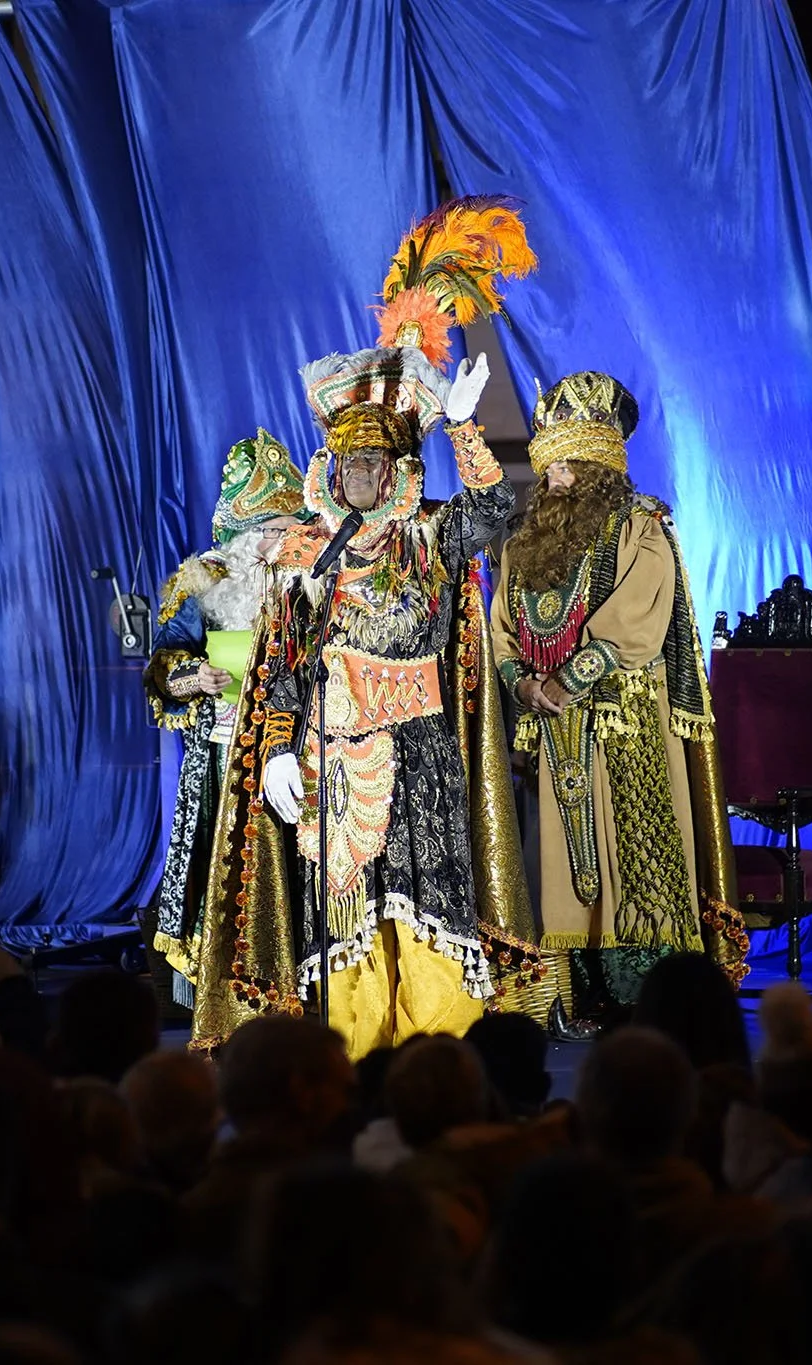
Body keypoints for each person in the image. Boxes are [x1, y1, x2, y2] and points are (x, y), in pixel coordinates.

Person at [193, 197, 540, 1057]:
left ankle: (438, 1058)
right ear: (327, 470)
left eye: (372, 462)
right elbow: (276, 666)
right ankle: (351, 1057)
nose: (357, 474)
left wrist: (462, 427)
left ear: (397, 469)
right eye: (345, 462)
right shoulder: (308, 558)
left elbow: (496, 510)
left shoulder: (429, 536)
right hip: (330, 755)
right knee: (343, 915)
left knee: (425, 904)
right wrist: (275, 747)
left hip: (420, 751)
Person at [491, 371, 749, 1036]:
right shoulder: (523, 547)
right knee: (561, 865)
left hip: (626, 723)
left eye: (566, 467)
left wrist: (565, 679)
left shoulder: (641, 529)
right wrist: (525, 683)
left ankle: (648, 999)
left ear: (599, 465)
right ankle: (576, 995)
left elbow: (637, 619)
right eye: (547, 467)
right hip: (551, 731)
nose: (551, 480)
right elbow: (501, 633)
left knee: (633, 856)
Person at [146, 430, 307, 1008]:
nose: (279, 543)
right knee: (230, 875)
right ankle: (227, 992)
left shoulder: (308, 580)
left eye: (288, 531)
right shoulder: (201, 581)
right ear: (242, 535)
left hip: (296, 750)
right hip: (224, 752)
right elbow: (162, 665)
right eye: (269, 531)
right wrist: (197, 679)